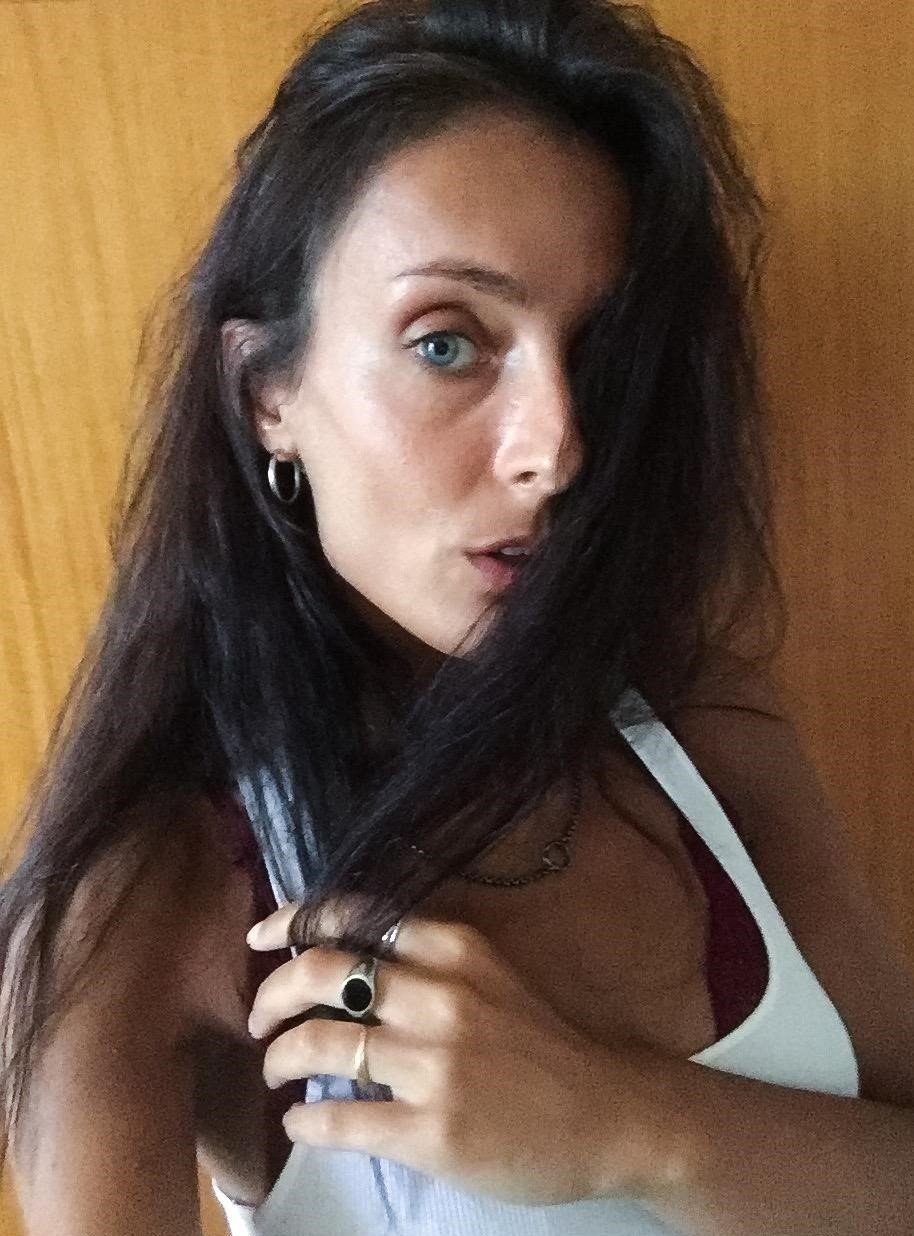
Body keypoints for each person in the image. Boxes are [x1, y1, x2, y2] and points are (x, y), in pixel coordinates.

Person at [2, 0, 913, 1233]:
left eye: (594, 354)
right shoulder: (149, 896)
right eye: (447, 344)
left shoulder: (703, 723)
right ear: (267, 392)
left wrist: (624, 1124)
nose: (556, 448)